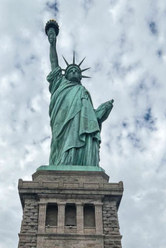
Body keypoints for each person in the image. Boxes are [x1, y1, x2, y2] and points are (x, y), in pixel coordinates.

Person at [45, 21, 113, 167]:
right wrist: (52, 43)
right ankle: (62, 163)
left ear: (81, 77)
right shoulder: (60, 83)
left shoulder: (83, 92)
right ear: (65, 75)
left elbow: (90, 119)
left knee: (82, 136)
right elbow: (53, 62)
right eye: (71, 70)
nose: (74, 71)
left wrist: (102, 111)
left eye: (77, 71)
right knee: (61, 143)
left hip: (80, 125)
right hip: (62, 121)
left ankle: (80, 163)